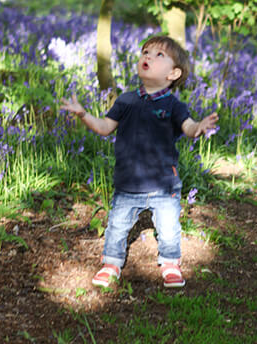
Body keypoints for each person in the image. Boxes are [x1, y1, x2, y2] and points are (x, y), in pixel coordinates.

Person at [61, 34, 218, 288]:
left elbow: (187, 127)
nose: (148, 56)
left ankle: (170, 263)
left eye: (158, 55)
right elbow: (104, 127)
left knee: (168, 228)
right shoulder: (126, 100)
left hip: (163, 183)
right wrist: (84, 114)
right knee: (117, 226)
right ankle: (111, 263)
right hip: (128, 182)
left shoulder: (173, 105)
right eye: (145, 52)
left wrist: (199, 126)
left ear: (173, 74)